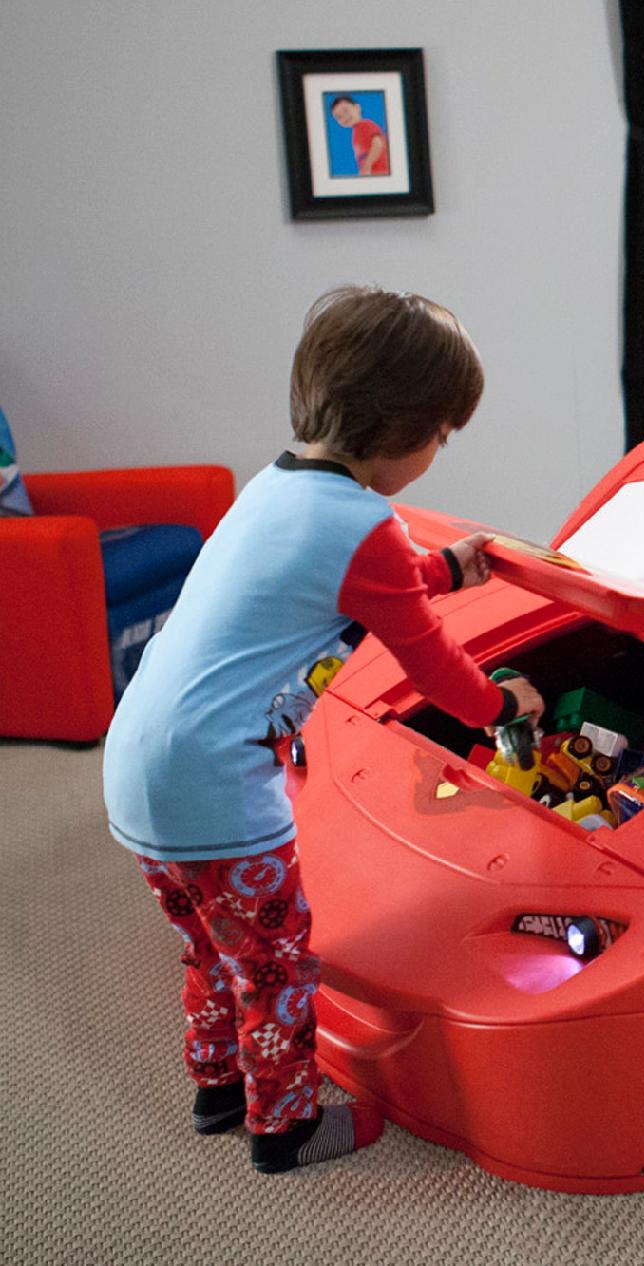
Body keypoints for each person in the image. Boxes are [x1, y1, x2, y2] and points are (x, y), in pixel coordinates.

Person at [102, 286, 544, 1174]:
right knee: (275, 966)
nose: (438, 452)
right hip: (218, 787)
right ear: (404, 428)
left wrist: (441, 570)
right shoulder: (364, 526)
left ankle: (218, 1085)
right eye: (441, 435)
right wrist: (505, 708)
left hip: (138, 765)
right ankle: (285, 1129)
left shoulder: (278, 487)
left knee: (211, 943)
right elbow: (433, 667)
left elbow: (349, 576)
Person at [328, 95, 389, 177]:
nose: (344, 117)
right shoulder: (355, 132)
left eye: (346, 111)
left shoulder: (366, 124)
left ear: (357, 108)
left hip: (382, 171)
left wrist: (367, 164)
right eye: (339, 117)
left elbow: (378, 144)